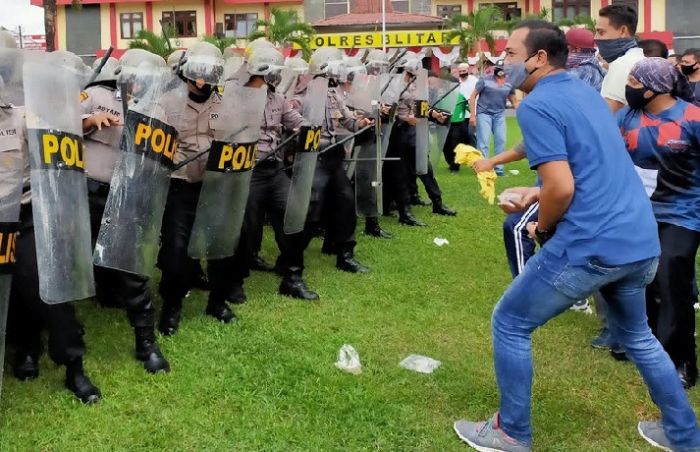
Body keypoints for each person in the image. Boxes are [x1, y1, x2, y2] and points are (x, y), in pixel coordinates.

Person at [453, 20, 700, 452]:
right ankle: (685, 434)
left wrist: (541, 224)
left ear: (539, 58)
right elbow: (587, 161)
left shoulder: (535, 105)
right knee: (639, 336)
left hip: (594, 241)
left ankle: (511, 432)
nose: (502, 61)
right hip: (639, 237)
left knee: (510, 322)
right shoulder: (586, 92)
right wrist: (536, 189)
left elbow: (563, 187)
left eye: (510, 53)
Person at [4, 47, 101, 404]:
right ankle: (26, 347)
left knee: (48, 287)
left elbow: (62, 127)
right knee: (12, 291)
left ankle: (73, 366)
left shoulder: (23, 116)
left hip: (25, 216)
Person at [81, 53, 169, 373]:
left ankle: (145, 339)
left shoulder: (154, 106)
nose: (138, 82)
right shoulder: (95, 94)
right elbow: (59, 125)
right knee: (72, 260)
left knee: (131, 268)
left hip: (126, 194)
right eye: (133, 76)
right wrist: (89, 121)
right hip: (89, 191)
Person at [617, 57, 700, 388]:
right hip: (639, 215)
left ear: (655, 89)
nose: (629, 88)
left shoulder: (692, 118)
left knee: (670, 283)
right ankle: (647, 347)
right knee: (645, 282)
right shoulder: (626, 117)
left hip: (684, 213)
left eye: (635, 83)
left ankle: (681, 361)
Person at [157, 42, 241, 336]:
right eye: (200, 72)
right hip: (180, 187)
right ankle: (172, 306)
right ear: (189, 73)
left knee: (221, 247)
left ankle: (217, 302)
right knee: (176, 251)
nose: (204, 79)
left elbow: (234, 140)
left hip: (215, 186)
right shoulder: (166, 103)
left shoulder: (223, 104)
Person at [228, 46, 320, 302]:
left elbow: (294, 120)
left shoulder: (278, 98)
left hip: (274, 170)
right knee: (245, 230)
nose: (277, 76)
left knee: (296, 216)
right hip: (246, 171)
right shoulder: (235, 96)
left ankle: (292, 278)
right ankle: (234, 282)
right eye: (274, 71)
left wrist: (307, 128)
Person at [292, 48, 373, 273]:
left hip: (333, 157)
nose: (337, 74)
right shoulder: (301, 96)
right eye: (334, 69)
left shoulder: (333, 94)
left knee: (346, 201)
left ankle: (345, 254)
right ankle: (291, 255)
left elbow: (349, 122)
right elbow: (291, 126)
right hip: (312, 159)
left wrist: (362, 123)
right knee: (312, 209)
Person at [469, 62, 519, 176]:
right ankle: (482, 169)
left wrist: (523, 114)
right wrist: (473, 115)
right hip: (484, 114)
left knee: (501, 141)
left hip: (499, 114)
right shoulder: (484, 80)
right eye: (499, 69)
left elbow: (514, 101)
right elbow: (473, 96)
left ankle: (499, 169)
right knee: (483, 142)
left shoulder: (509, 83)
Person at [596, 3, 645, 113]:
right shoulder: (639, 58)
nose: (596, 38)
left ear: (623, 31)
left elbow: (608, 114)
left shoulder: (622, 64)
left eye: (601, 32)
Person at [443, 62, 478, 172]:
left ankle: (456, 166)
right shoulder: (443, 95)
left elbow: (468, 106)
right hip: (446, 124)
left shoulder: (463, 93)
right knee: (445, 146)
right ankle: (451, 163)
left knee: (459, 144)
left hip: (459, 122)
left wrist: (473, 114)